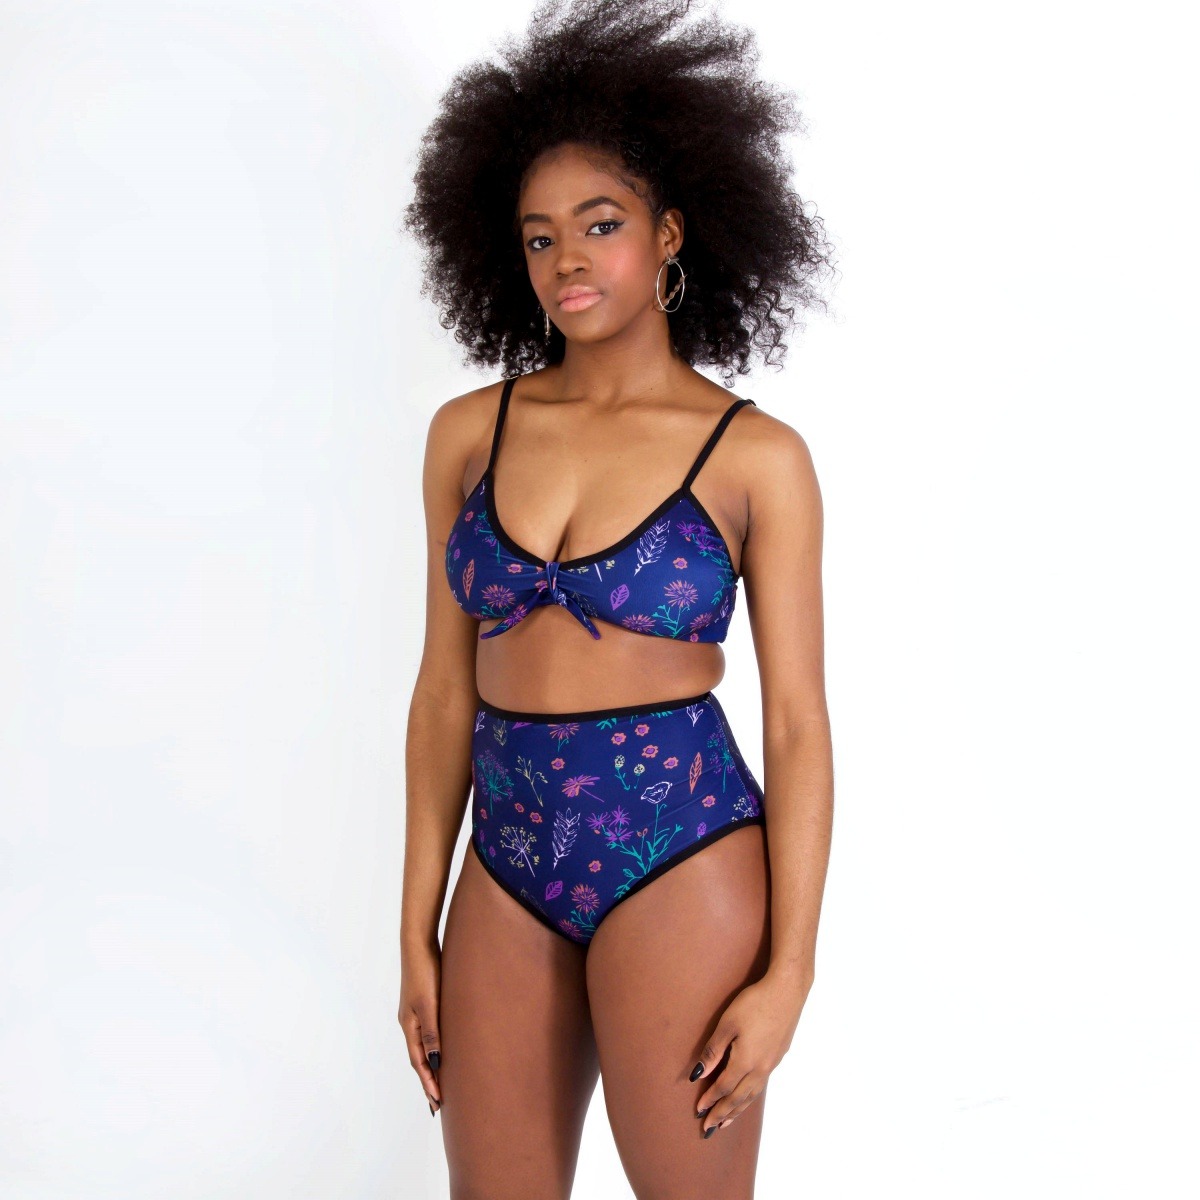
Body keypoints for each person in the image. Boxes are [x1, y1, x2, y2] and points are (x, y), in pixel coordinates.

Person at [398, 0, 836, 1194]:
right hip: (506, 862)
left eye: (601, 224)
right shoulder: (466, 436)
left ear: (671, 230)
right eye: (540, 237)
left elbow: (799, 724)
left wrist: (790, 973)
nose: (569, 261)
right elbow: (442, 694)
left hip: (680, 853)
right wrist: (415, 929)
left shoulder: (756, 459)